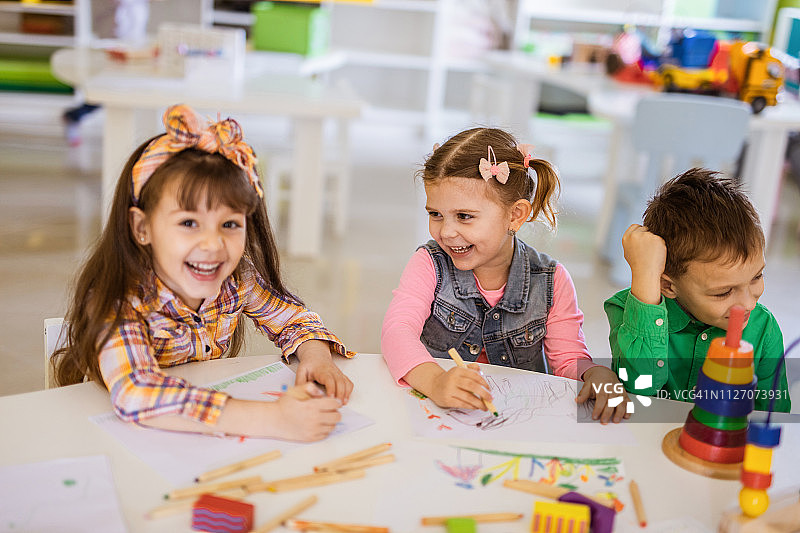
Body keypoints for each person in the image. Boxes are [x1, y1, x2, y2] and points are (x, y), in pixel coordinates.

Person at [51, 104, 354, 441]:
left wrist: (316, 356)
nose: (212, 244)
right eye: (189, 223)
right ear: (142, 227)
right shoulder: (120, 298)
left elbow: (293, 318)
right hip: (122, 440)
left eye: (229, 224)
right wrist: (274, 418)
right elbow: (137, 391)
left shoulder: (238, 279)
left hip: (204, 438)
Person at [381, 127, 628, 424]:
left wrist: (593, 373)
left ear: (515, 215)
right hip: (439, 419)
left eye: (464, 216)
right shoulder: (429, 263)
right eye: (436, 214)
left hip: (519, 424)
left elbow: (568, 360)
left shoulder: (552, 280)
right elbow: (397, 332)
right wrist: (436, 382)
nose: (445, 232)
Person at [605, 168, 791, 412]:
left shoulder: (763, 328)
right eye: (723, 292)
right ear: (667, 285)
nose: (747, 304)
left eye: (756, 277)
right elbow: (638, 390)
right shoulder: (629, 309)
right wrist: (646, 277)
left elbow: (772, 416)